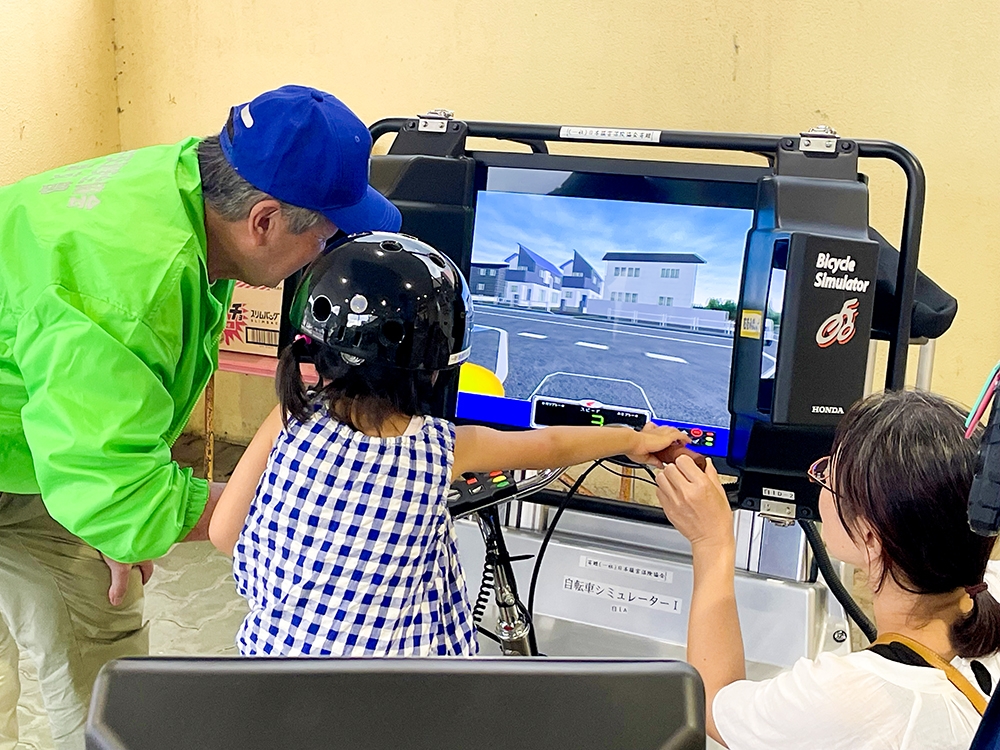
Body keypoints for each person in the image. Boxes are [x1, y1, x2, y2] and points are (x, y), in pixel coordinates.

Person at [0, 85, 401, 750]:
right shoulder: (127, 284)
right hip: (35, 432)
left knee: (104, 640)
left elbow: (113, 443)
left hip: (29, 440)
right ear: (265, 220)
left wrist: (111, 499)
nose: (324, 253)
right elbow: (125, 499)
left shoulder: (187, 183)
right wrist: (295, 509)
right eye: (323, 233)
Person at [208, 232, 689, 656]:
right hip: (395, 701)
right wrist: (631, 439)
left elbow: (225, 534)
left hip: (269, 677)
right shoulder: (443, 447)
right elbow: (550, 445)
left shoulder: (289, 415)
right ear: (437, 365)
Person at [655, 388, 1000, 750]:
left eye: (828, 474)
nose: (818, 478)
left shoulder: (845, 699)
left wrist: (712, 541)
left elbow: (712, 707)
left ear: (870, 536)